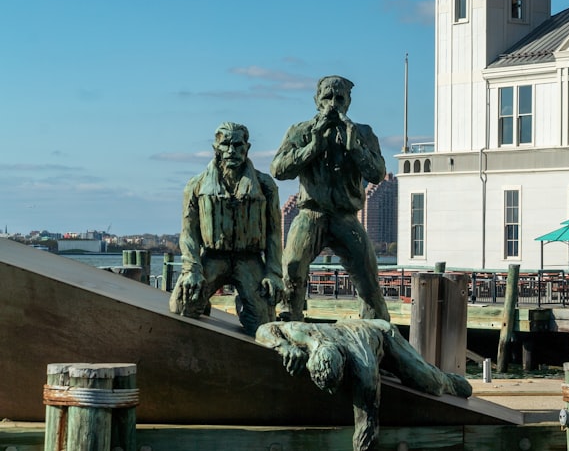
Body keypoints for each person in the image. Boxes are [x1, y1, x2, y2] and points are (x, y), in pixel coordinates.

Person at [271, 75, 389, 321]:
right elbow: (279, 170)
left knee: (368, 278)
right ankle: (290, 323)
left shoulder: (363, 133)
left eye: (339, 98)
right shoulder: (300, 131)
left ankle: (378, 332)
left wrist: (355, 147)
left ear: (348, 103)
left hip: (346, 218)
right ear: (317, 101)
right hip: (311, 214)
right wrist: (311, 148)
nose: (333, 104)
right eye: (327, 97)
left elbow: (378, 174)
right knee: (292, 267)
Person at [256, 319, 472, 451]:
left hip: (381, 333)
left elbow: (367, 425)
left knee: (428, 382)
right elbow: (265, 328)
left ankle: (453, 382)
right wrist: (283, 346)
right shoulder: (299, 332)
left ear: (344, 363)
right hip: (343, 331)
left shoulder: (363, 367)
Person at [169, 122, 283, 335]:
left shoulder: (265, 185)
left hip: (249, 260)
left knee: (263, 324)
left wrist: (274, 273)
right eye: (225, 144)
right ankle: (204, 301)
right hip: (213, 258)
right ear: (216, 148)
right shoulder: (196, 185)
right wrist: (192, 270)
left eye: (238, 145)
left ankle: (245, 301)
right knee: (182, 306)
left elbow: (274, 233)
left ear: (247, 148)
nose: (231, 151)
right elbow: (189, 232)